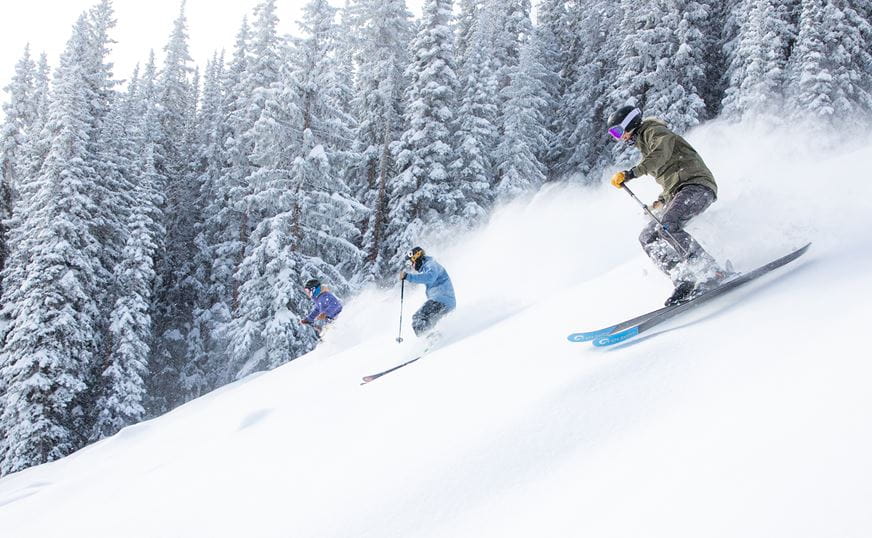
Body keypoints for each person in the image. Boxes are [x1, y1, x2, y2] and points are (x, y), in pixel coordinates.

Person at [607, 104, 726, 306]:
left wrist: (631, 173)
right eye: (614, 134)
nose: (618, 138)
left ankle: (709, 269)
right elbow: (671, 176)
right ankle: (683, 279)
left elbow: (661, 154)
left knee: (668, 226)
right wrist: (662, 200)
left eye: (618, 131)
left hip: (697, 187)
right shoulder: (644, 144)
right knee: (648, 237)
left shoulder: (654, 131)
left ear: (630, 124)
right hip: (680, 191)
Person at [400, 247, 456, 337]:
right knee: (428, 320)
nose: (411, 266)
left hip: (442, 300)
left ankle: (429, 338)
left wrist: (408, 277)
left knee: (418, 317)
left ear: (416, 257)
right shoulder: (427, 267)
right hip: (443, 301)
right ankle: (434, 338)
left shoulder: (431, 264)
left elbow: (429, 277)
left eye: (411, 262)